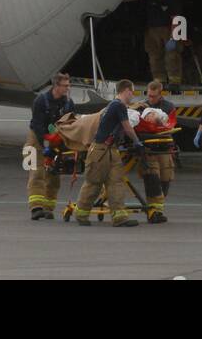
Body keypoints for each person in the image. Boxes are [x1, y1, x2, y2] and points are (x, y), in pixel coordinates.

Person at [74, 79, 140, 228]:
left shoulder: (113, 106)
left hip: (111, 149)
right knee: (94, 183)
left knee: (116, 182)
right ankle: (81, 214)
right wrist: (137, 142)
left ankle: (119, 218)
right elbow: (128, 127)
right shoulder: (118, 106)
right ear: (127, 90)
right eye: (132, 92)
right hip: (100, 151)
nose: (132, 96)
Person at [26, 73, 75, 219]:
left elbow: (70, 123)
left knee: (54, 175)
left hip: (57, 138)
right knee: (37, 172)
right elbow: (37, 125)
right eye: (65, 85)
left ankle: (48, 208)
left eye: (68, 85)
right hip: (36, 138)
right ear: (56, 86)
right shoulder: (40, 101)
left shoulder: (68, 103)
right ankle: (36, 208)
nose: (68, 88)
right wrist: (46, 144)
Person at [126, 0, 183, 85]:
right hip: (152, 30)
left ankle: (174, 81)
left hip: (169, 29)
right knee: (154, 56)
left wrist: (173, 37)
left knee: (171, 55)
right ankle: (159, 79)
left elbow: (175, 19)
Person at [135, 80, 177, 224]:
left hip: (164, 147)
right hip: (149, 148)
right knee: (152, 178)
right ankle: (153, 212)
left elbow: (170, 124)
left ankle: (158, 208)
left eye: (154, 96)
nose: (150, 98)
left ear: (161, 94)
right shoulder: (141, 106)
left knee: (166, 177)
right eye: (149, 95)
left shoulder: (168, 107)